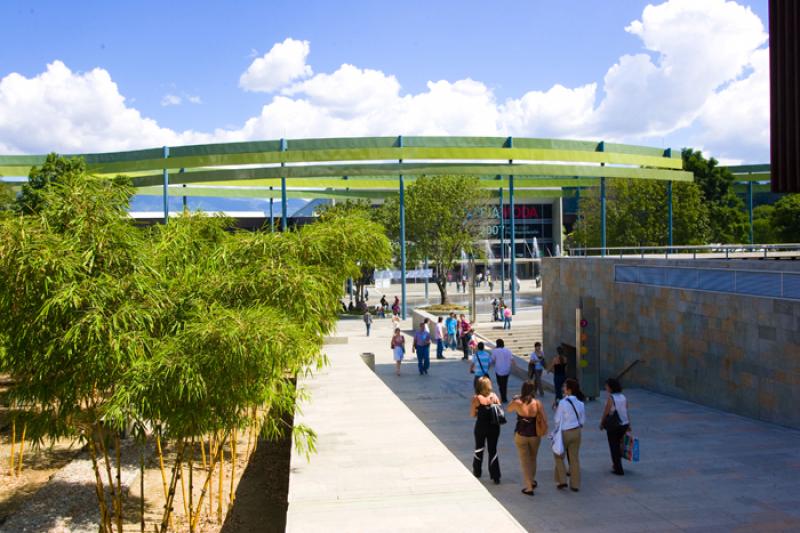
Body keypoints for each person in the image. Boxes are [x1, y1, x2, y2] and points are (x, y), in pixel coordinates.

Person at [508, 381, 547, 496]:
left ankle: (529, 487)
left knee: (525, 461)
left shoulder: (518, 402)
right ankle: (532, 480)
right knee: (533, 458)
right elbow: (544, 418)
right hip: (535, 435)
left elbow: (508, 409)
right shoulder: (537, 403)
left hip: (521, 434)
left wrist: (515, 399)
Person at [553, 378, 586, 492]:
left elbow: (557, 419)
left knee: (558, 455)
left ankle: (562, 480)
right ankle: (575, 484)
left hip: (565, 432)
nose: (563, 388)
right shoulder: (581, 403)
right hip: (577, 431)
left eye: (565, 387)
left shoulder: (562, 403)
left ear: (569, 390)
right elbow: (582, 420)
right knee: (574, 458)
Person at [470, 376, 502, 484]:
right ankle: (495, 475)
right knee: (493, 450)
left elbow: (473, 414)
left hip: (481, 427)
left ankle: (477, 471)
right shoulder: (494, 396)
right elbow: (499, 408)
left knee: (479, 448)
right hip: (494, 427)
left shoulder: (477, 398)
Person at [600, 378, 630, 476]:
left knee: (614, 446)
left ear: (611, 387)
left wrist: (602, 422)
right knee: (619, 445)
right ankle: (617, 464)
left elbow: (606, 411)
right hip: (624, 424)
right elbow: (626, 411)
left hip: (614, 425)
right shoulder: (623, 397)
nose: (606, 387)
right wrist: (629, 424)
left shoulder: (611, 398)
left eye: (607, 386)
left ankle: (618, 468)